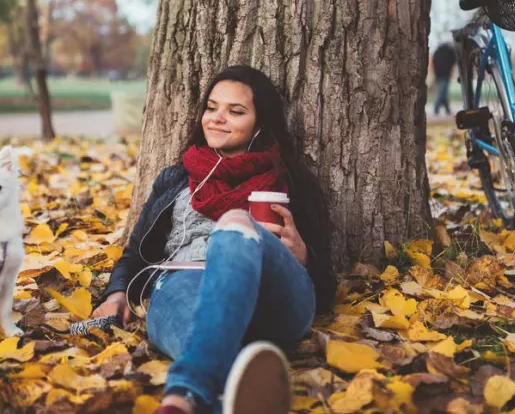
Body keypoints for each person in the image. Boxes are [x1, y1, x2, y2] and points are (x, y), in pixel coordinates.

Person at [87, 65, 336, 414]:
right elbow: (136, 252)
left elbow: (326, 289)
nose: (217, 119)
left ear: (260, 124)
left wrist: (303, 256)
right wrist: (116, 294)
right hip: (184, 284)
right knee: (204, 337)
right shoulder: (175, 178)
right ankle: (224, 394)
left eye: (235, 111)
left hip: (272, 290)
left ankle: (182, 397)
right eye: (211, 107)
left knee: (235, 222)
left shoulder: (292, 183)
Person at [432, 42, 457, 116]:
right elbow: (454, 60)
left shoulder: (438, 51)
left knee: (443, 92)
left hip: (439, 74)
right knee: (442, 92)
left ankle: (446, 109)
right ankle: (437, 108)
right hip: (445, 73)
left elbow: (434, 61)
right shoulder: (449, 50)